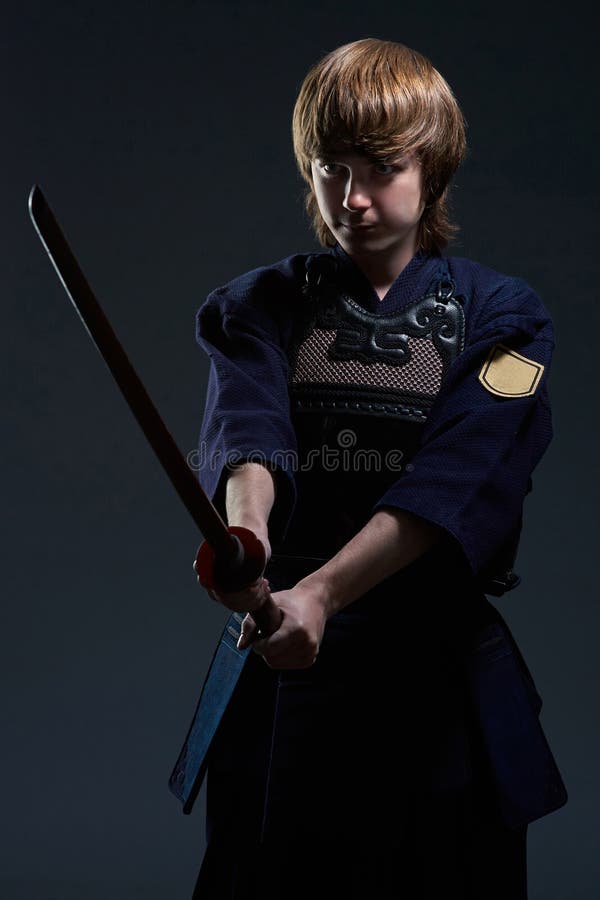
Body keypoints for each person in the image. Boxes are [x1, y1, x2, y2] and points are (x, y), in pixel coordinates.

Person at [170, 38, 567, 899]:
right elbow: (249, 435)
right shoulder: (258, 305)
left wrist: (324, 592)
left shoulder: (505, 317)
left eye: (382, 168)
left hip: (438, 685)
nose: (352, 196)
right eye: (331, 168)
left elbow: (458, 477)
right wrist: (247, 544)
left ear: (433, 167)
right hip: (281, 661)